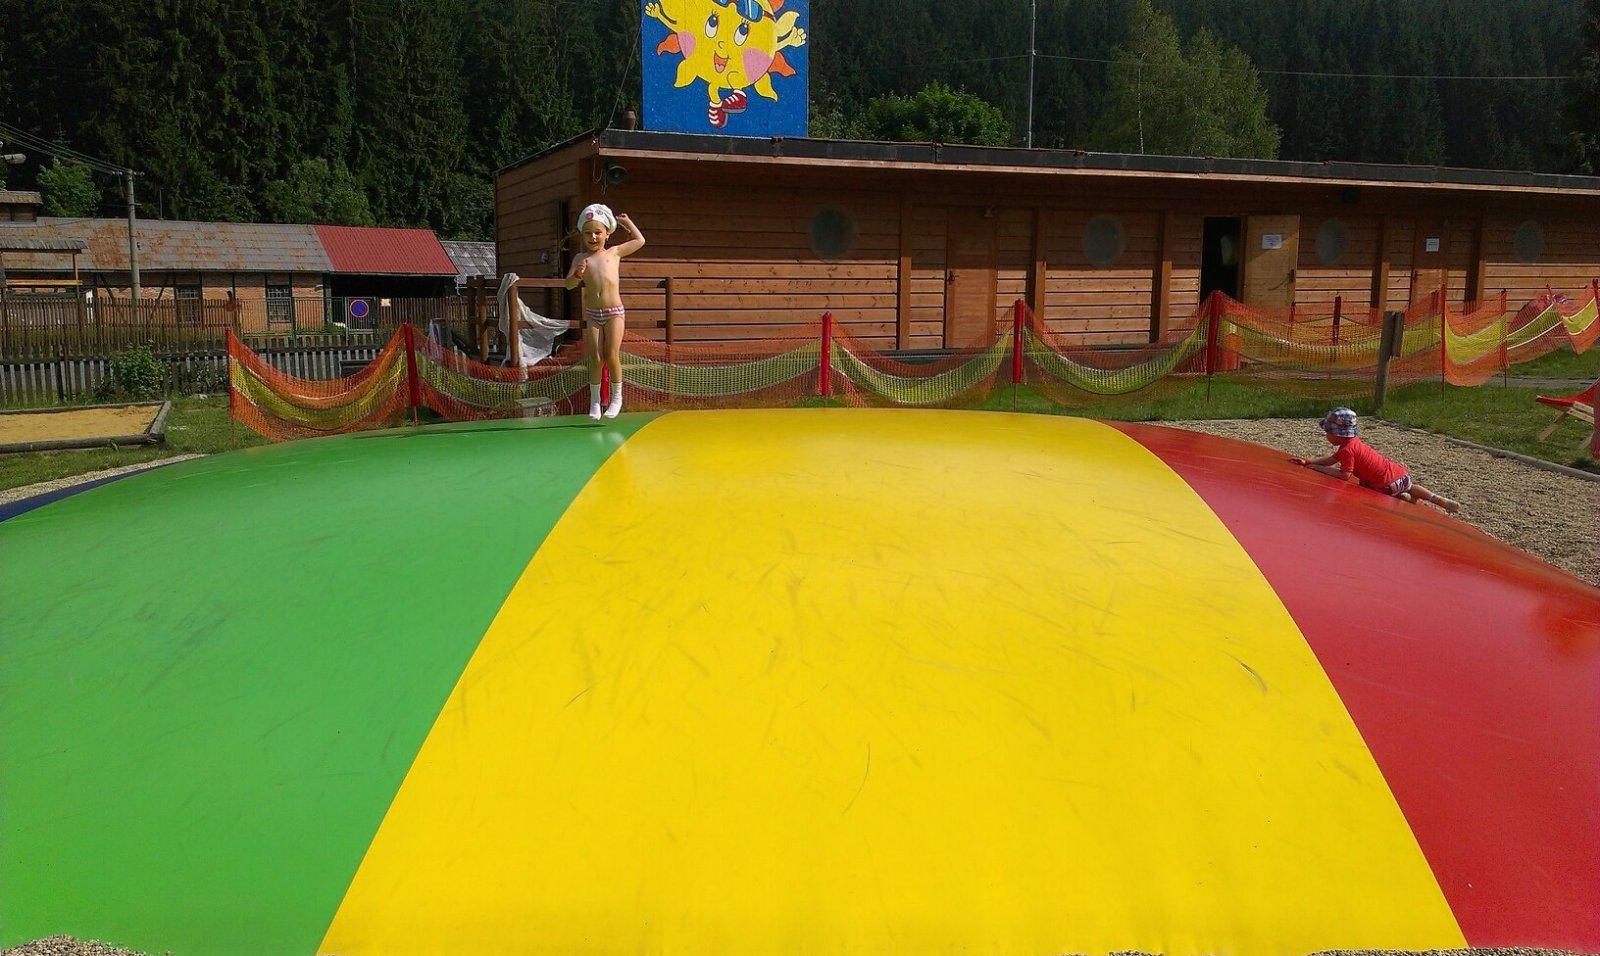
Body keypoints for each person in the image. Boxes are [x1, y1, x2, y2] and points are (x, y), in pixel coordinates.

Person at [1293, 408, 1461, 514]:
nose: (1326, 435)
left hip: (1383, 486)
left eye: (1328, 432)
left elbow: (1344, 475)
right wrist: (1309, 462)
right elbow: (1331, 459)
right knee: (1410, 486)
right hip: (1398, 475)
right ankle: (1434, 498)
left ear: (1338, 434)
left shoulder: (1346, 451)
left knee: (1370, 489)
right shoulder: (1354, 443)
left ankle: (1406, 498)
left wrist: (1318, 468)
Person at [565, 204, 645, 419]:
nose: (593, 237)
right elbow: (569, 285)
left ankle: (616, 398)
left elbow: (640, 241)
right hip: (593, 314)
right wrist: (577, 274)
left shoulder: (614, 252)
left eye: (597, 232)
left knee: (611, 354)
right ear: (582, 235)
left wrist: (627, 223)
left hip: (614, 312)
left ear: (607, 234)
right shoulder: (580, 259)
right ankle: (594, 402)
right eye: (588, 233)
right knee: (596, 357)